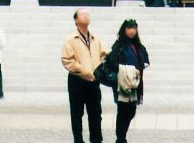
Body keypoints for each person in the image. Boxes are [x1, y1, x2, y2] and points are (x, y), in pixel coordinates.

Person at [61, 8, 106, 143]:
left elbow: (102, 55)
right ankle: (78, 140)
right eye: (83, 14)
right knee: (77, 113)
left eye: (88, 14)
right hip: (77, 80)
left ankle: (96, 139)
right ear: (76, 20)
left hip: (94, 80)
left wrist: (99, 70)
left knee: (96, 113)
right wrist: (84, 71)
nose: (86, 16)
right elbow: (67, 60)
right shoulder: (70, 39)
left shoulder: (95, 38)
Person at [105, 18, 150, 143]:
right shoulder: (119, 45)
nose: (131, 31)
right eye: (129, 28)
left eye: (134, 28)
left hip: (136, 82)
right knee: (123, 109)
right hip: (123, 82)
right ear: (124, 29)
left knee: (131, 110)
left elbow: (146, 60)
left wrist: (140, 67)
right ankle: (120, 137)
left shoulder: (138, 46)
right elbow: (112, 62)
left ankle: (122, 135)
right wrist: (127, 70)